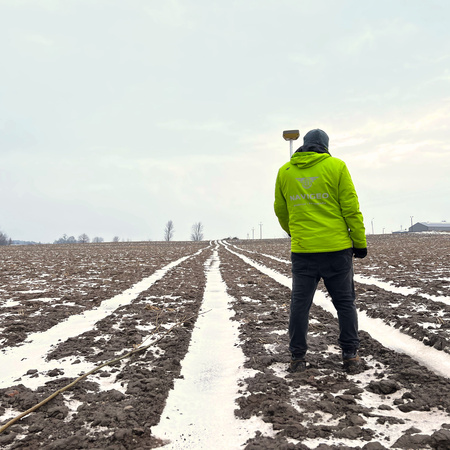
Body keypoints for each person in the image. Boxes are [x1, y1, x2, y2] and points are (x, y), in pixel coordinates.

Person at [274, 129, 367, 372]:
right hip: (337, 250)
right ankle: (350, 356)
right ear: (325, 146)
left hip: (303, 251)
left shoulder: (285, 172)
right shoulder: (337, 167)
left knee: (299, 305)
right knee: (345, 303)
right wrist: (359, 242)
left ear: (304, 145)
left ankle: (297, 358)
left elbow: (281, 211)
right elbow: (351, 208)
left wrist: (296, 233)